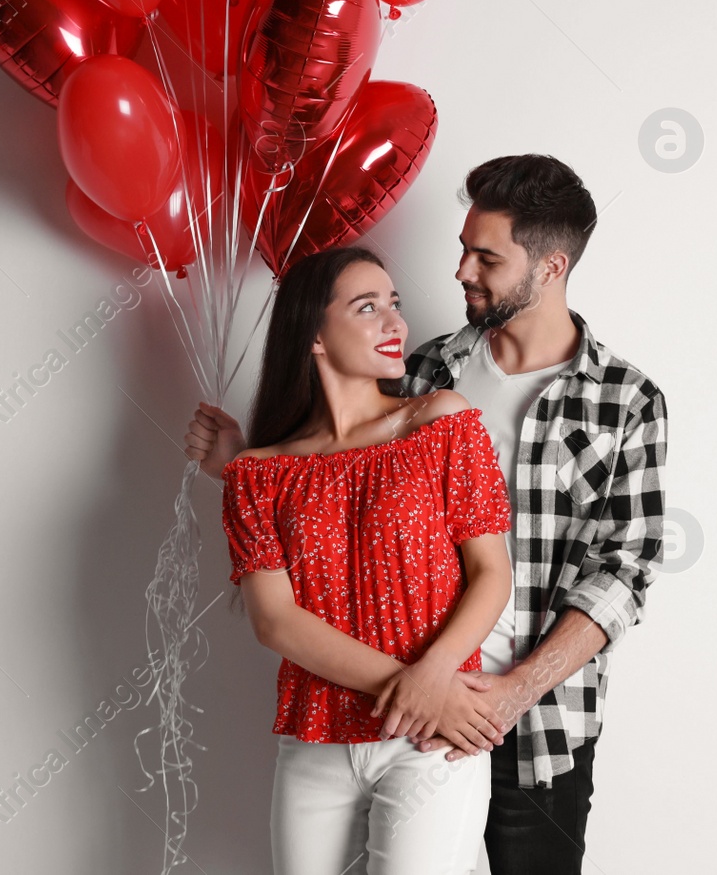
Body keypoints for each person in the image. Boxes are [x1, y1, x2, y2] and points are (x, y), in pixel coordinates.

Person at [189, 154, 669, 875]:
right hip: (386, 699)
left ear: (550, 267)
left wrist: (510, 691)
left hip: (534, 716)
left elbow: (623, 572)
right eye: (462, 248)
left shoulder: (624, 400)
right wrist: (242, 462)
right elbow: (339, 472)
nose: (460, 272)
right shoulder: (420, 373)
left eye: (486, 256)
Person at [195, 244, 516, 875]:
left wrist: (435, 677)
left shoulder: (440, 423)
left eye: (393, 304)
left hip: (429, 744)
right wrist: (417, 687)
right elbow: (275, 623)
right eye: (367, 307)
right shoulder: (257, 475)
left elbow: (491, 573)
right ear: (312, 335)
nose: (395, 323)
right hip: (316, 742)